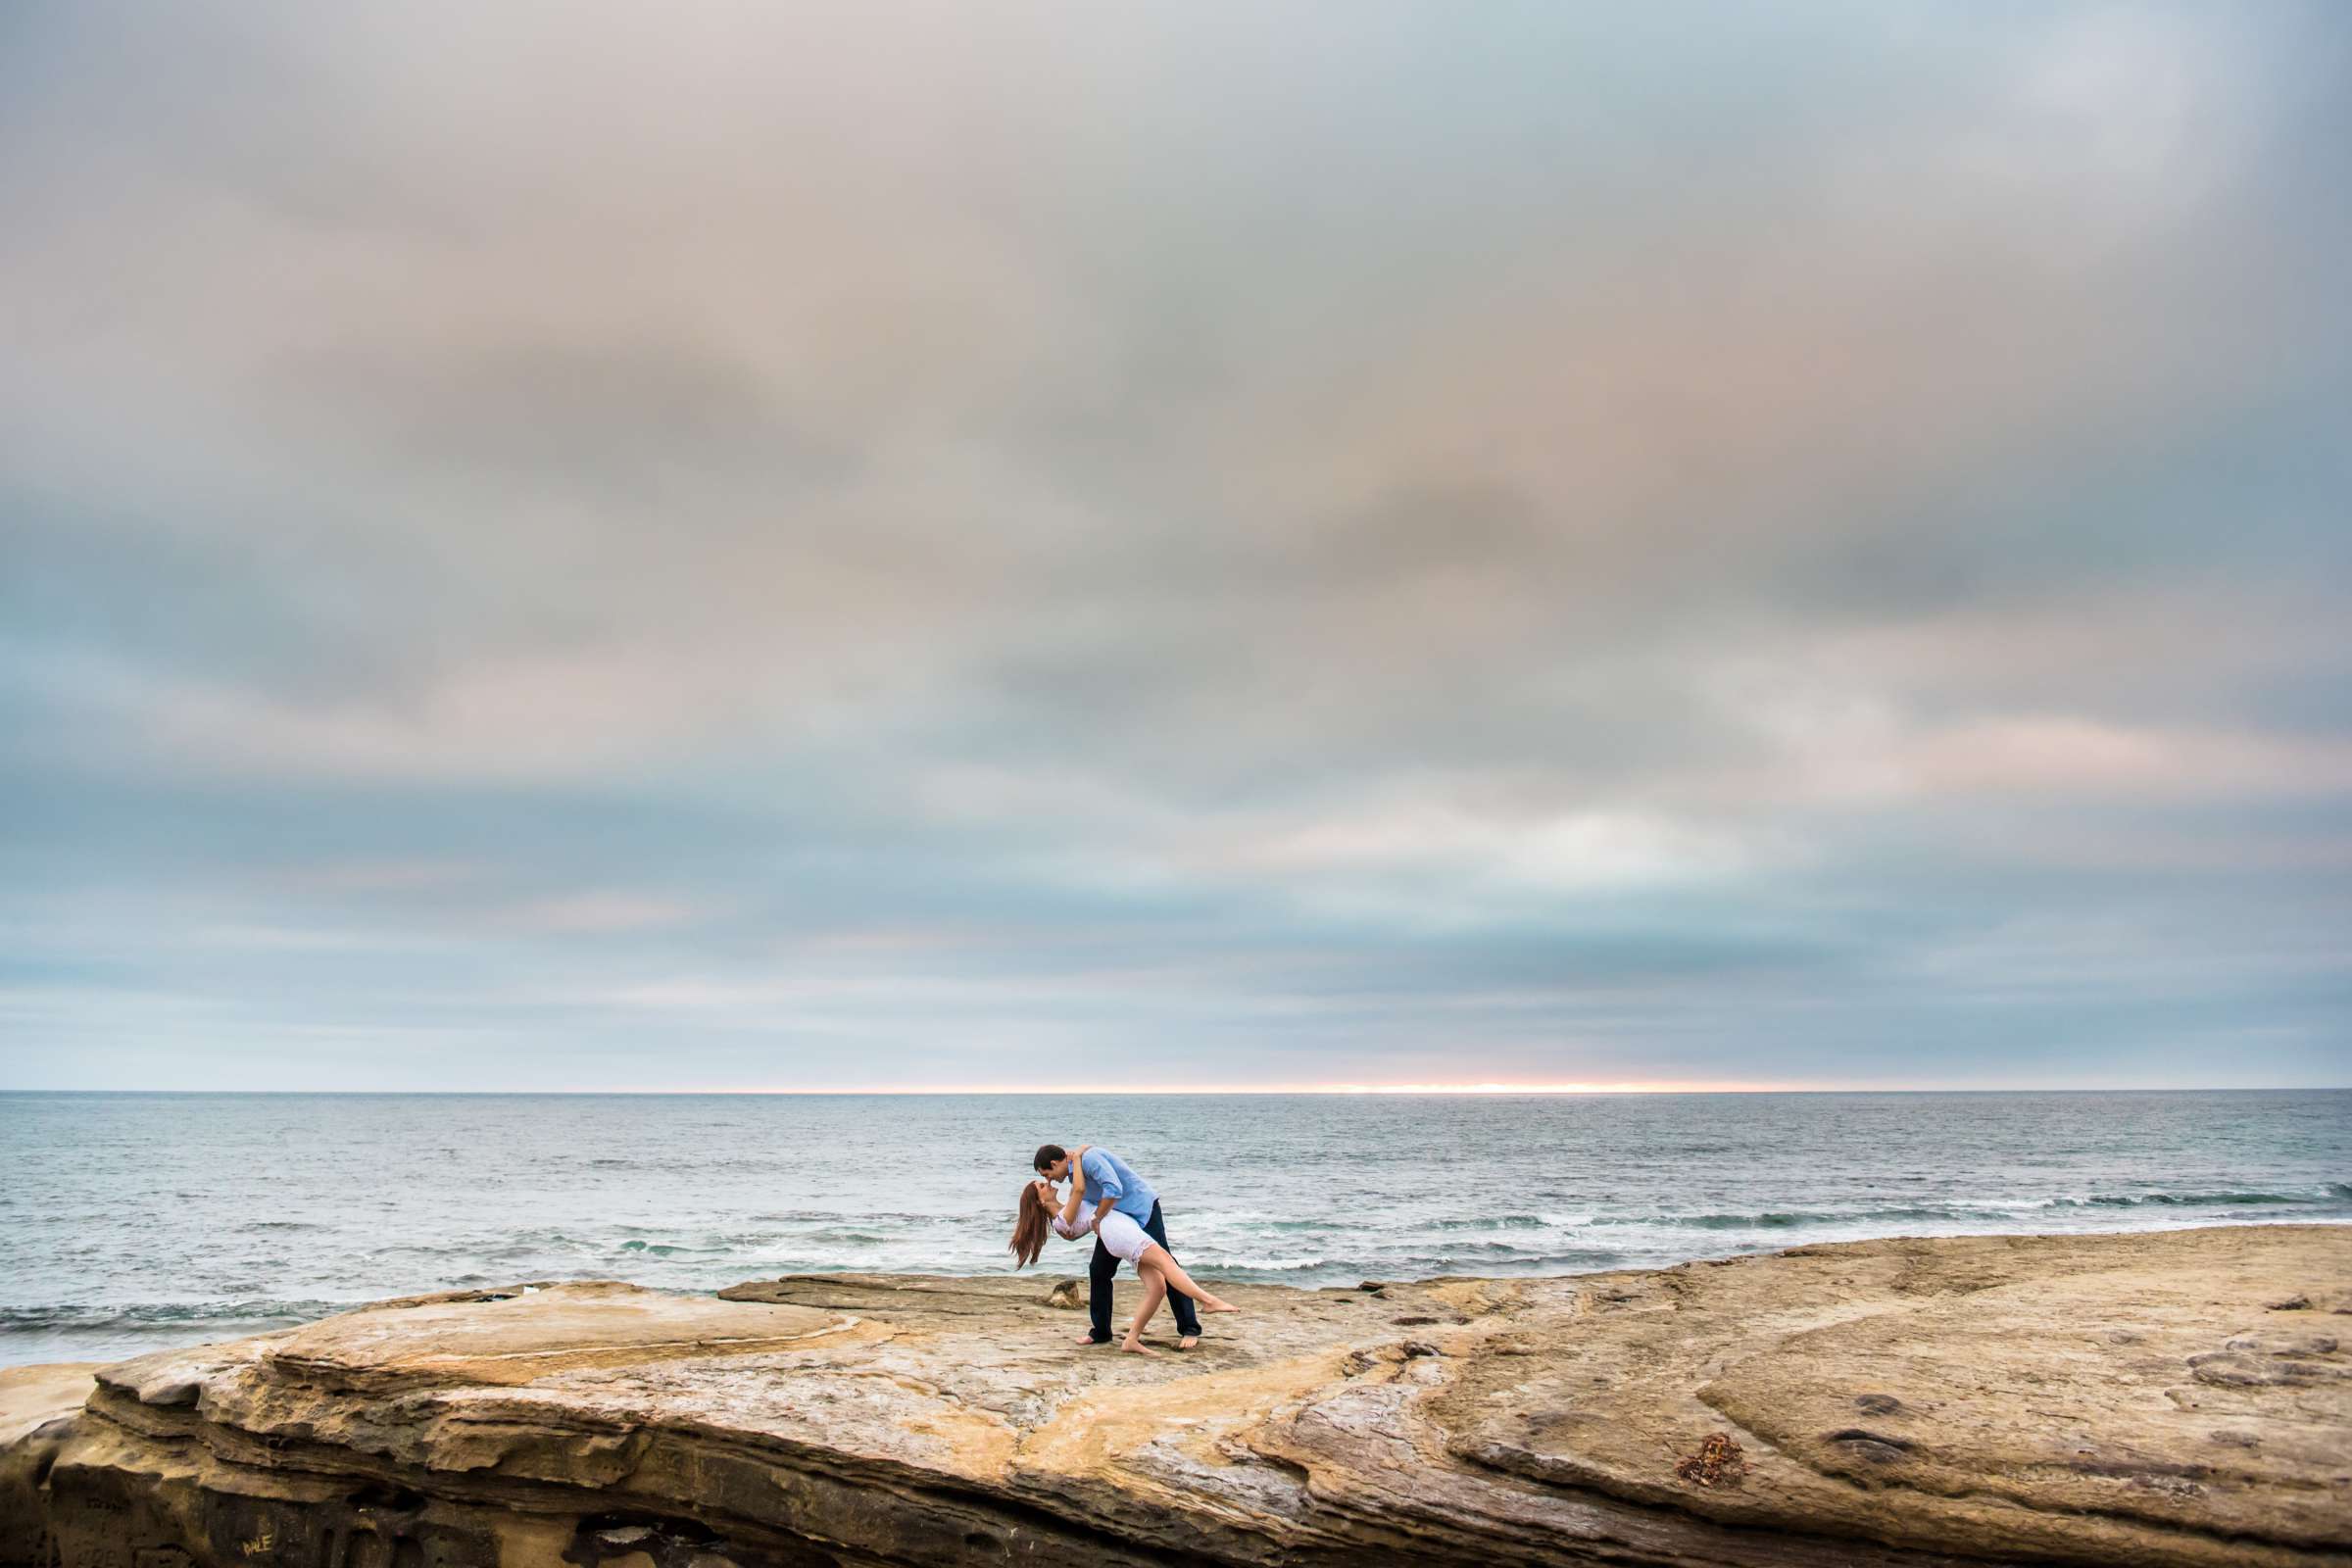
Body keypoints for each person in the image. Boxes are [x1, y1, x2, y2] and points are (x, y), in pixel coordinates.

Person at [1015, 1142, 1235, 1351]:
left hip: (1141, 1212)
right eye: (1044, 1180)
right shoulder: (1076, 1175)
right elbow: (1076, 1211)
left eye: (1046, 1175)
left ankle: (1189, 1327)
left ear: (1054, 1164)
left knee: (1166, 1265)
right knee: (1099, 1271)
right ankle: (1101, 1331)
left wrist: (1096, 1218)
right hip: (1116, 1223)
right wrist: (1096, 1220)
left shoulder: (1089, 1159)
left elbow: (1113, 1189)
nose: (1050, 1181)